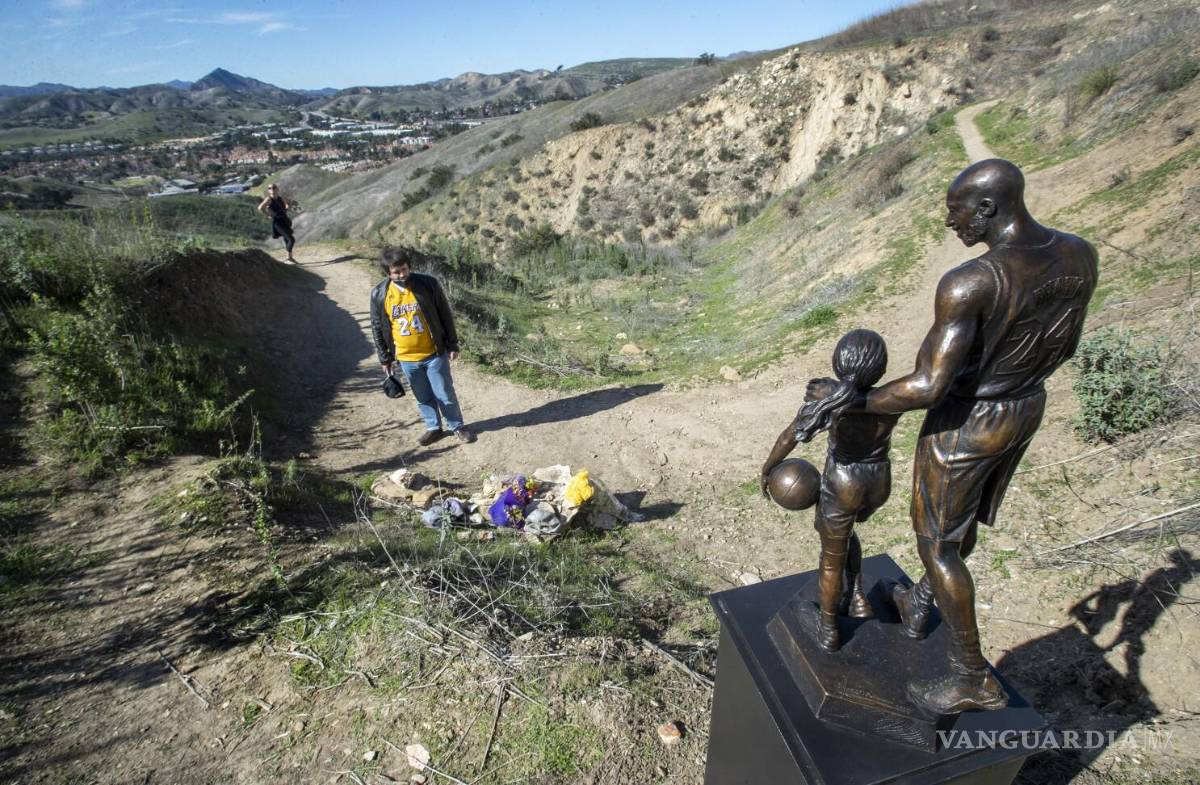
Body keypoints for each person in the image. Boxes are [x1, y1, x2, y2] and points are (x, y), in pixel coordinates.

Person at [839, 159, 1097, 713]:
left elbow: (931, 386)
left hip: (968, 423)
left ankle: (970, 676)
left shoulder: (972, 281)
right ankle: (922, 600)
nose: (951, 224)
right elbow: (1066, 346)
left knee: (936, 541)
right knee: (961, 521)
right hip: (1026, 406)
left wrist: (858, 402)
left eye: (956, 212)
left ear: (986, 207)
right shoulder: (1079, 254)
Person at [761, 329, 900, 652]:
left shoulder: (830, 399)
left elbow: (788, 437)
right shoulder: (893, 397)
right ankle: (859, 596)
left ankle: (827, 627)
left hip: (844, 482)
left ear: (837, 364)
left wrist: (768, 468)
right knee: (845, 532)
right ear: (880, 370)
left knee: (830, 558)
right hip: (879, 482)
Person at [369, 246, 475, 445]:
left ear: (409, 266)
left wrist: (452, 344)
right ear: (387, 273)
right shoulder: (379, 294)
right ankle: (433, 427)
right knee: (422, 395)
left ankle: (456, 426)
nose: (402, 274)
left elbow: (445, 314)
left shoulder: (428, 284)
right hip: (405, 358)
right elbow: (377, 327)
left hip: (434, 353)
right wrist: (385, 357)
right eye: (396, 272)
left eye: (404, 269)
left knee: (444, 393)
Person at [257, 184, 296, 263]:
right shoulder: (269, 199)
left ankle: (290, 258)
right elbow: (260, 208)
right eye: (269, 188)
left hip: (284, 220)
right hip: (277, 222)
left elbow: (287, 204)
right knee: (291, 239)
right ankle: (288, 259)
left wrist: (286, 208)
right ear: (268, 190)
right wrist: (268, 215)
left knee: (287, 239)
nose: (272, 189)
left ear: (277, 189)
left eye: (273, 187)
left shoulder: (280, 198)